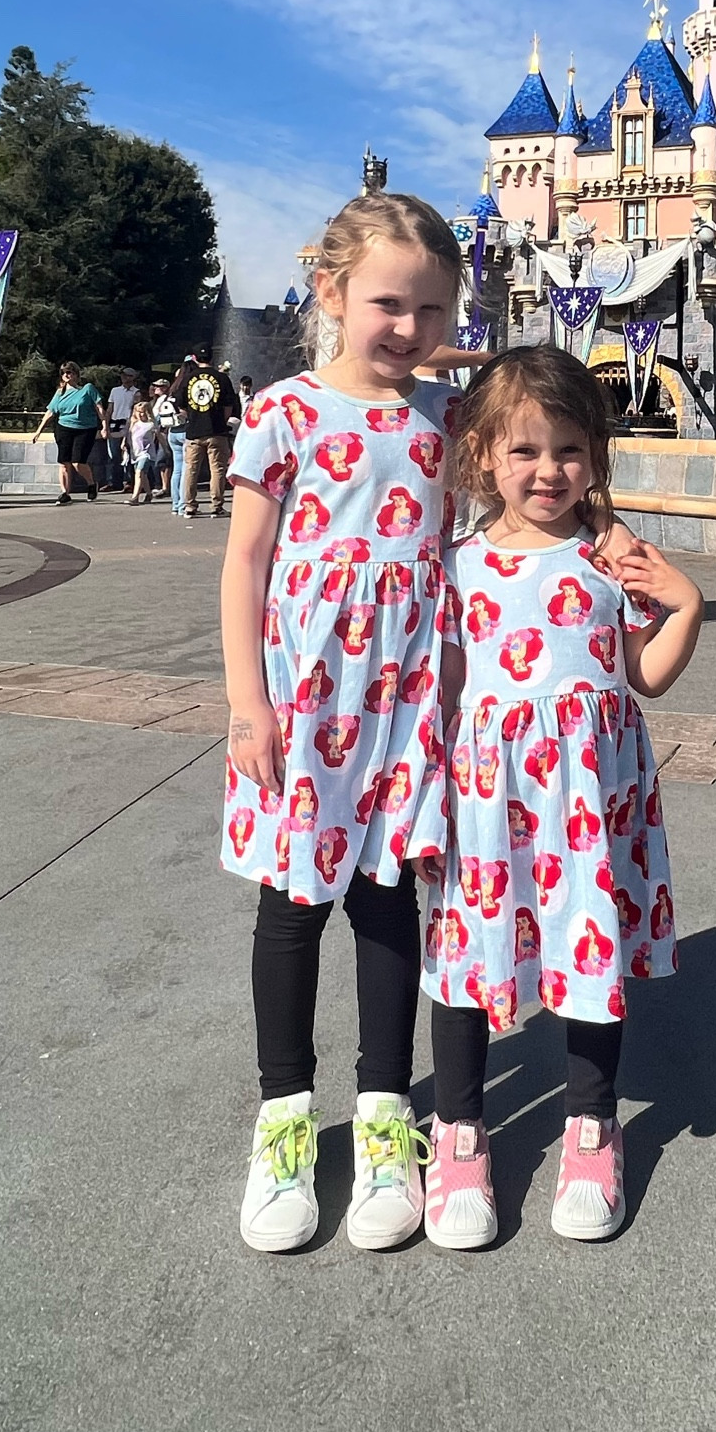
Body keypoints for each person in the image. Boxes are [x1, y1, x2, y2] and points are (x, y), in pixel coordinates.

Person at [220, 191, 465, 1256]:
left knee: (383, 902)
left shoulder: (449, 419)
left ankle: (382, 1115)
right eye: (387, 303)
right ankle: (282, 1115)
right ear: (329, 293)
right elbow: (245, 563)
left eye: (432, 309)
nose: (408, 329)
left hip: (408, 701)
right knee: (290, 905)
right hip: (306, 700)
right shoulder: (282, 412)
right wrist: (247, 703)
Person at [420, 346, 703, 1251]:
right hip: (487, 797)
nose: (549, 472)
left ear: (597, 454)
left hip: (587, 796)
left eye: (570, 451)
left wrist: (685, 605)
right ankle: (459, 1128)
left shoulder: (607, 557)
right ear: (483, 458)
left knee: (589, 946)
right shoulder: (457, 563)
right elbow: (450, 691)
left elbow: (643, 674)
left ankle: (591, 1123)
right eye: (525, 452)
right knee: (468, 948)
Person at [174, 343, 240, 520]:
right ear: (212, 358)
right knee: (217, 469)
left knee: (191, 469)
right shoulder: (222, 378)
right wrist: (222, 421)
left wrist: (193, 416)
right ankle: (216, 506)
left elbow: (180, 405)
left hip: (194, 431)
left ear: (194, 358)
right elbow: (229, 405)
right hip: (217, 430)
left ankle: (189, 506)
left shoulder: (188, 378)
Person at [33, 363, 106, 505]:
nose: (67, 375)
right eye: (64, 372)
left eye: (70, 372)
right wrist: (38, 431)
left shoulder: (87, 389)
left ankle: (91, 484)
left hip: (85, 429)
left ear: (77, 375)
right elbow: (51, 412)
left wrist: (104, 426)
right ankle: (65, 493)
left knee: (78, 462)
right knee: (64, 462)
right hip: (64, 428)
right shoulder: (60, 392)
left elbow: (99, 408)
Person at [104, 366, 142, 491]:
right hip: (115, 423)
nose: (125, 378)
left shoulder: (136, 392)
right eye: (123, 375)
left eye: (128, 375)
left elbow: (136, 408)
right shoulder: (115, 391)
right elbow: (110, 408)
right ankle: (113, 481)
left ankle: (128, 481)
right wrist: (106, 424)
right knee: (113, 454)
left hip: (128, 423)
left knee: (128, 454)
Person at [154, 378, 187, 516]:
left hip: (171, 432)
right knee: (187, 469)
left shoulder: (166, 398)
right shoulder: (184, 395)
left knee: (177, 469)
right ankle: (183, 504)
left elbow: (157, 418)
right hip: (185, 431)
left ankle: (175, 504)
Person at [126, 399, 163, 504]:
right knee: (143, 475)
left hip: (146, 453)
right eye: (139, 412)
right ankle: (149, 493)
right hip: (135, 453)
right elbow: (127, 435)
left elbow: (159, 437)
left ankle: (135, 497)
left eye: (143, 412)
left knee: (139, 472)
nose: (141, 414)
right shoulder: (132, 423)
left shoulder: (151, 424)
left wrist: (165, 449)